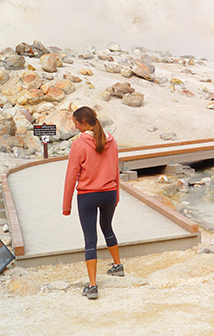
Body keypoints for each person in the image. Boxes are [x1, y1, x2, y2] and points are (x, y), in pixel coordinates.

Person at [62, 106, 124, 300]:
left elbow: (71, 176)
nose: (75, 127)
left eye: (75, 123)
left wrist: (66, 206)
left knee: (90, 239)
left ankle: (92, 285)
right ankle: (117, 265)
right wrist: (117, 194)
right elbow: (115, 169)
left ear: (83, 123)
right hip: (109, 193)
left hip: (88, 196)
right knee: (107, 227)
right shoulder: (111, 140)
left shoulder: (79, 144)